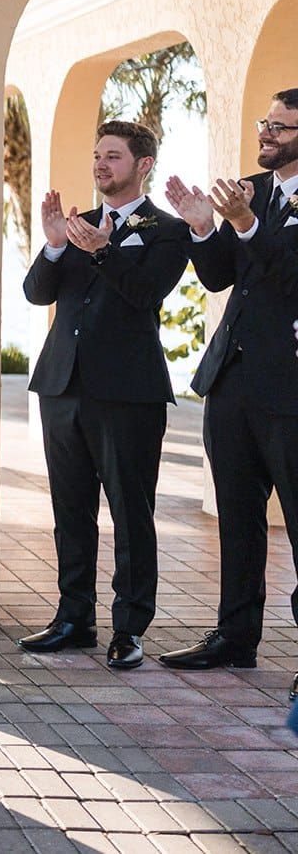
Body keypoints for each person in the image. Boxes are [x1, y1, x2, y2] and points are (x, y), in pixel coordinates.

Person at [15, 121, 188, 670]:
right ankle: (74, 618)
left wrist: (106, 251)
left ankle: (130, 628)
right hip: (62, 385)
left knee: (131, 512)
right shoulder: (76, 224)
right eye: (96, 155)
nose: (100, 164)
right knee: (71, 508)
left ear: (143, 165)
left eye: (112, 156)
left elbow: (145, 294)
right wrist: (54, 245)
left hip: (127, 392)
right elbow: (36, 292)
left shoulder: (167, 230)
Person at [158, 89, 298, 688]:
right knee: (238, 521)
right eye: (265, 123)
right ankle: (235, 639)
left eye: (281, 127)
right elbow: (220, 277)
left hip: (291, 389)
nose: (266, 134)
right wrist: (202, 228)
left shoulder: (253, 208)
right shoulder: (252, 191)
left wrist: (245, 225)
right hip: (233, 381)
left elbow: (291, 277)